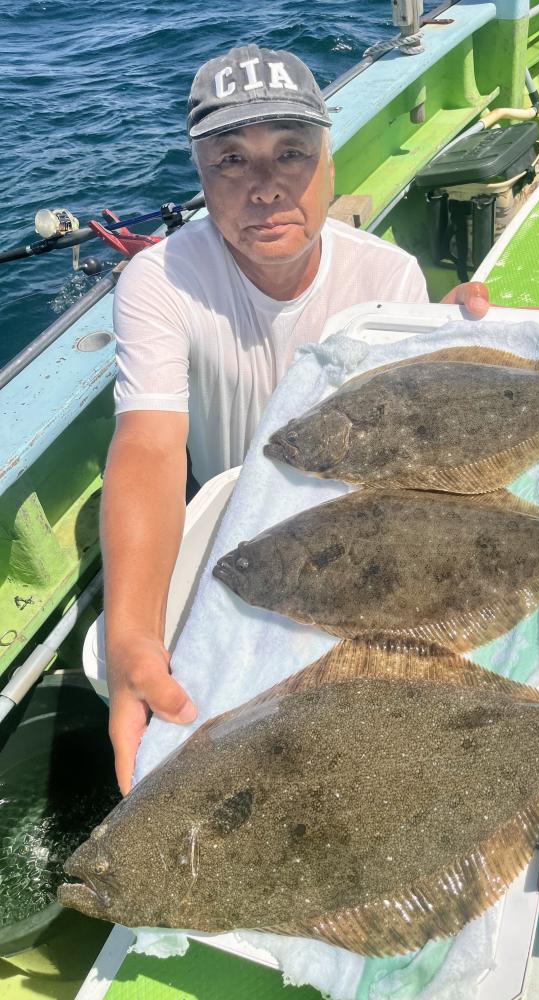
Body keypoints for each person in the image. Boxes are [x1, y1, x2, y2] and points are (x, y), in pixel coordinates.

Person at [103, 44, 491, 794]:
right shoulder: (160, 279)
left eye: (291, 153)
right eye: (231, 161)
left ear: (329, 166)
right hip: (227, 528)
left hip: (354, 533)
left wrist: (456, 352)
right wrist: (131, 637)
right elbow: (149, 447)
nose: (265, 187)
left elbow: (407, 459)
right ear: (201, 176)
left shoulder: (388, 277)